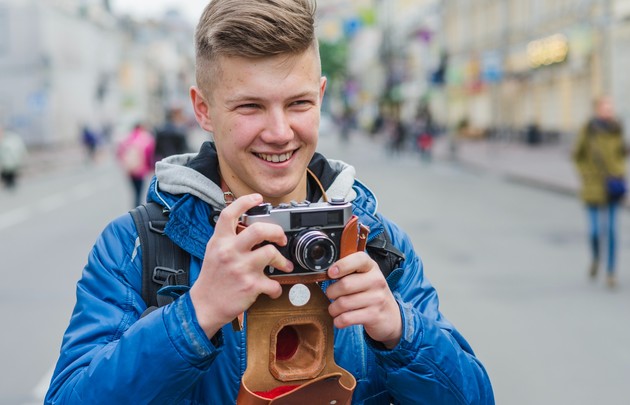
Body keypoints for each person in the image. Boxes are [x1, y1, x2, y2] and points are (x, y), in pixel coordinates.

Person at [45, 1, 494, 404]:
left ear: (320, 97)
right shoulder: (135, 247)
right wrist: (195, 314)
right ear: (203, 109)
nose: (279, 132)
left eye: (298, 103)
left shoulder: (376, 242)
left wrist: (400, 331)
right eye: (250, 107)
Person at [572, 95, 627, 288]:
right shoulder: (588, 129)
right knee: (595, 231)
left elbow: (622, 154)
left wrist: (621, 171)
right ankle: (596, 257)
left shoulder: (617, 128)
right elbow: (577, 155)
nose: (609, 110)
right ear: (597, 109)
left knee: (611, 230)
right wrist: (586, 174)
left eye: (611, 106)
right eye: (605, 106)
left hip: (613, 184)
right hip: (593, 185)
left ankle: (611, 271)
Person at [116, 123, 156, 207]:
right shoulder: (145, 138)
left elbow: (119, 152)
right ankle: (137, 211)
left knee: (135, 192)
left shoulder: (127, 138)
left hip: (130, 169)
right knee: (139, 192)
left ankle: (135, 208)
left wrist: (124, 163)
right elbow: (149, 154)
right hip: (140, 170)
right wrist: (150, 167)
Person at [0, 125, 27, 190]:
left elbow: (20, 148)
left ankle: (11, 184)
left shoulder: (11, 139)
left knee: (10, 172)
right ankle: (9, 184)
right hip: (8, 160)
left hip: (11, 159)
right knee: (7, 173)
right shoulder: (5, 138)